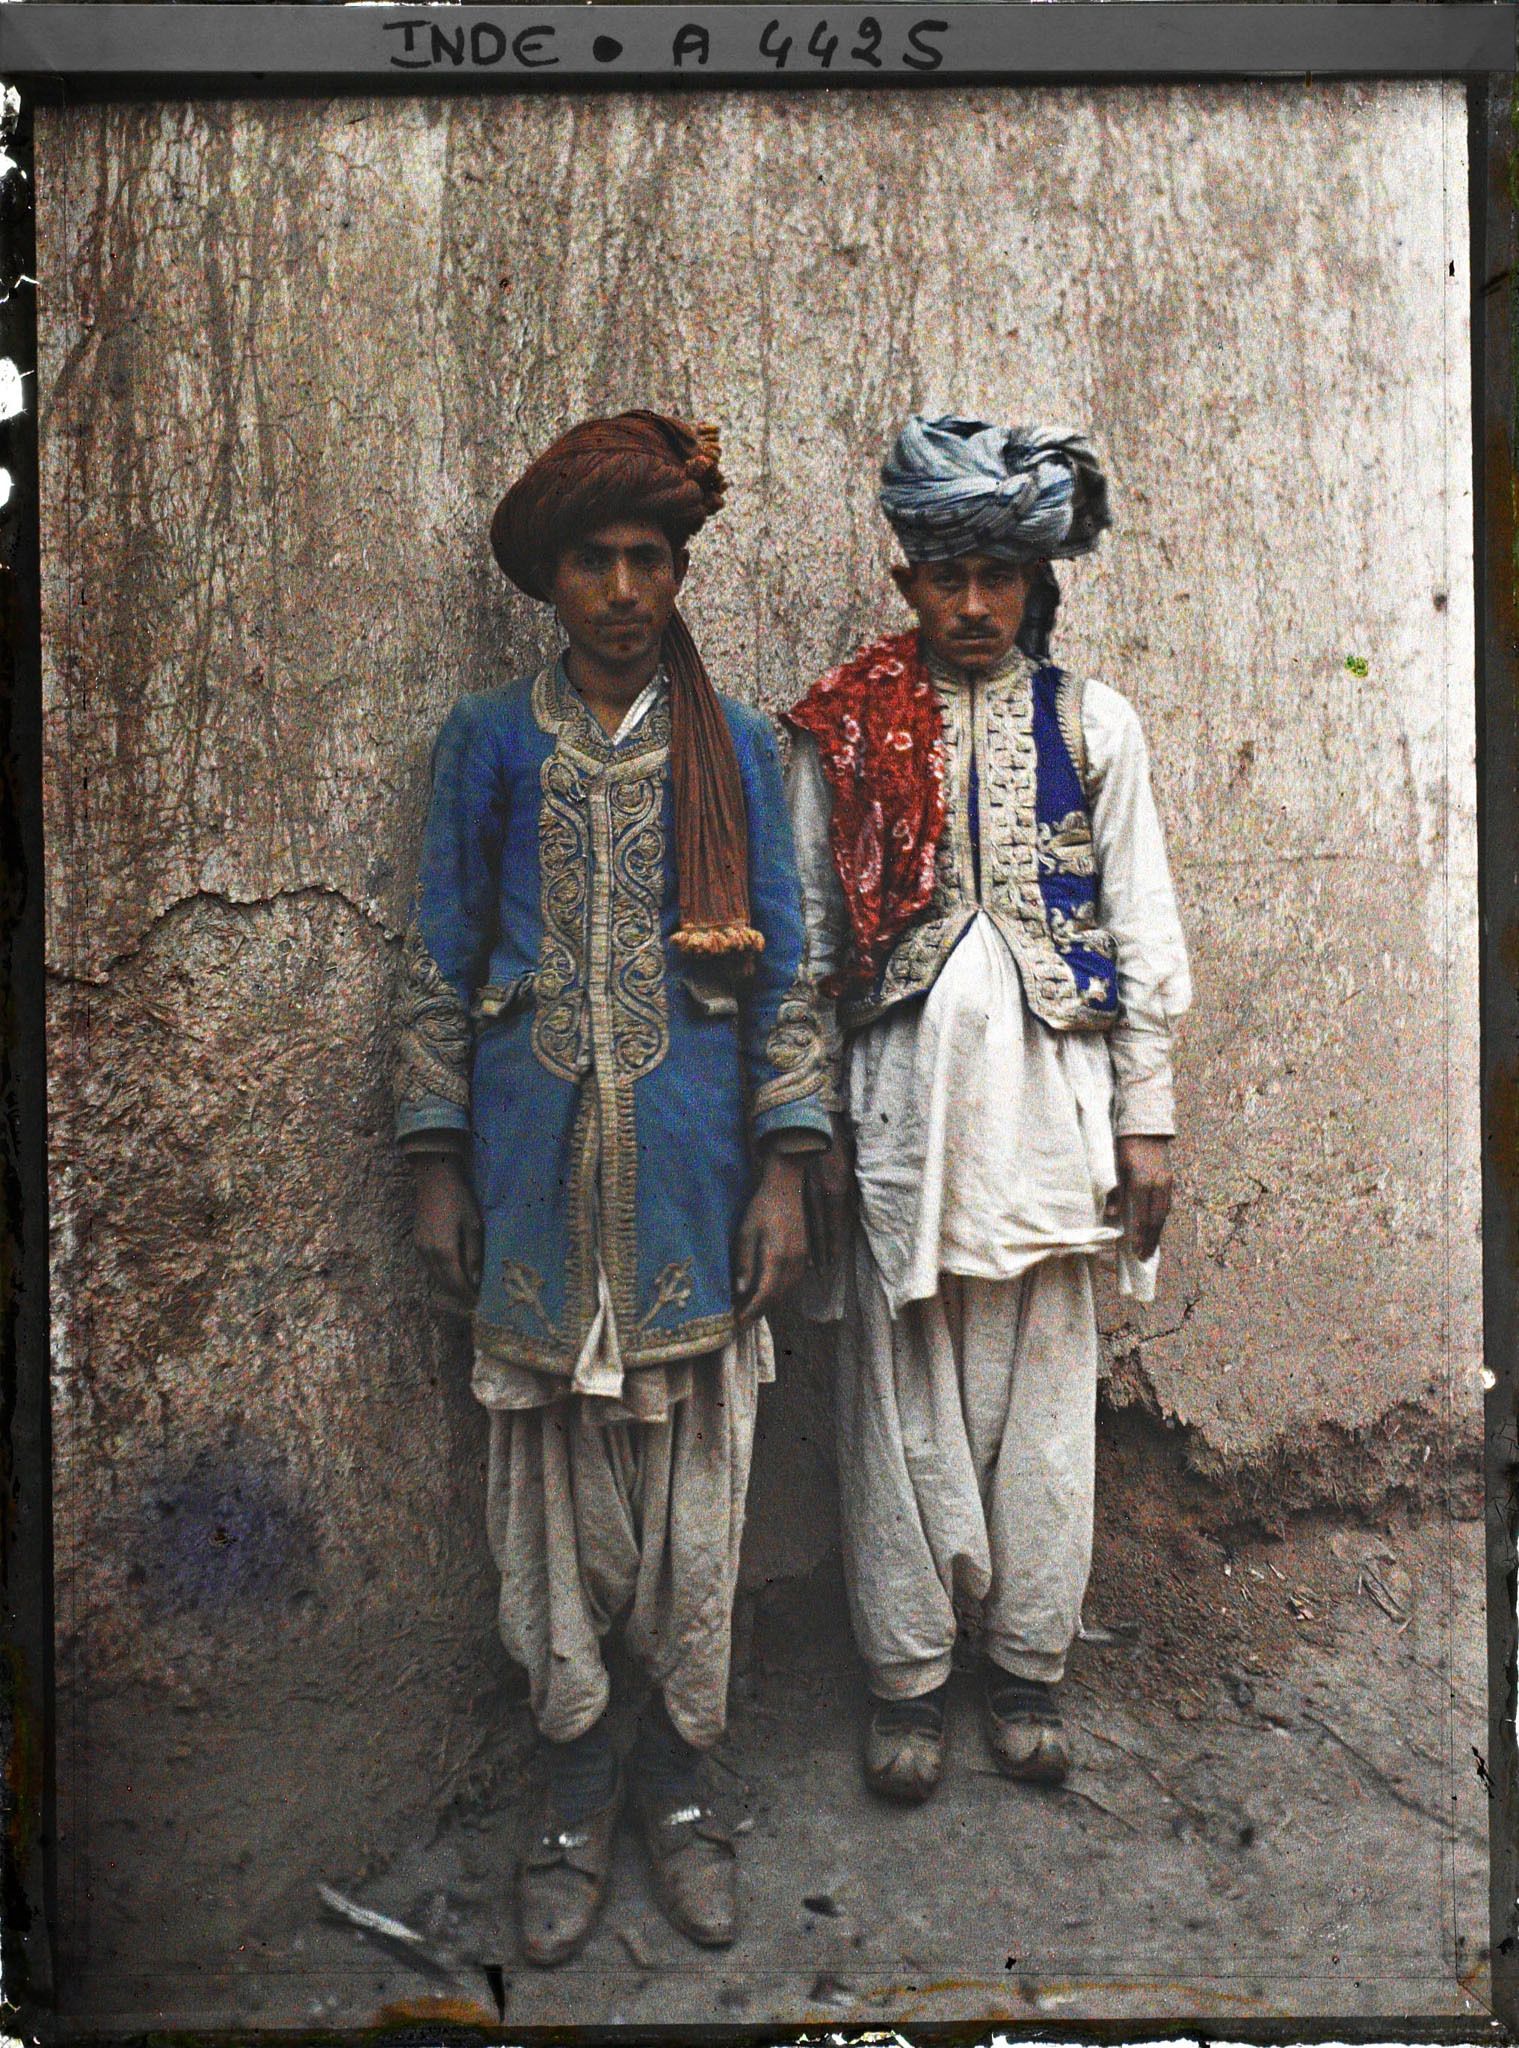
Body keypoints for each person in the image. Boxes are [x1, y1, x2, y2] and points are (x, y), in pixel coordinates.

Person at [392, 411, 831, 1961]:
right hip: (531, 1179)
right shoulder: (487, 743)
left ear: (680, 571)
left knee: (694, 1517)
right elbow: (441, 958)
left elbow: (788, 973)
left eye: (653, 558)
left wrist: (787, 1169)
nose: (626, 587)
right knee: (560, 1524)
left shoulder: (748, 752)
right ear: (552, 578)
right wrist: (438, 1158)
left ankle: (685, 1793)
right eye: (598, 558)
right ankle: (574, 1799)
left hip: (698, 1187)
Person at [784, 414, 1191, 1803]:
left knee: (1043, 1398)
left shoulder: (1095, 723)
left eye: (997, 577)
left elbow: (1141, 927)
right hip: (897, 1124)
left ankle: (1025, 1669)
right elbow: (799, 947)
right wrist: (807, 1127)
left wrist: (1148, 1114)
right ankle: (905, 1682)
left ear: (1034, 582)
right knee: (894, 1400)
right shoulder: (838, 730)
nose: (970, 605)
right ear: (904, 575)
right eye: (945, 573)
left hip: (1051, 1123)